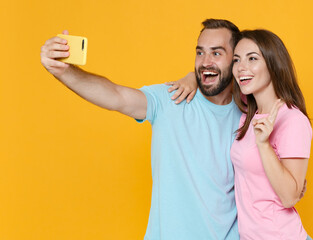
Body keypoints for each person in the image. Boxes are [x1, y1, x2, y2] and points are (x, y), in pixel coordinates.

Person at [40, 19, 242, 239]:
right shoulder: (171, 98)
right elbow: (116, 96)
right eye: (200, 53)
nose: (205, 62)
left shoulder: (249, 116)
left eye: (216, 53)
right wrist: (63, 71)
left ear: (236, 59)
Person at [231, 30, 312, 240]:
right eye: (237, 60)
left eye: (252, 58)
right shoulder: (247, 117)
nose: (241, 67)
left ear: (273, 63)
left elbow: (289, 197)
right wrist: (191, 79)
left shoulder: (292, 120)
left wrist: (264, 145)